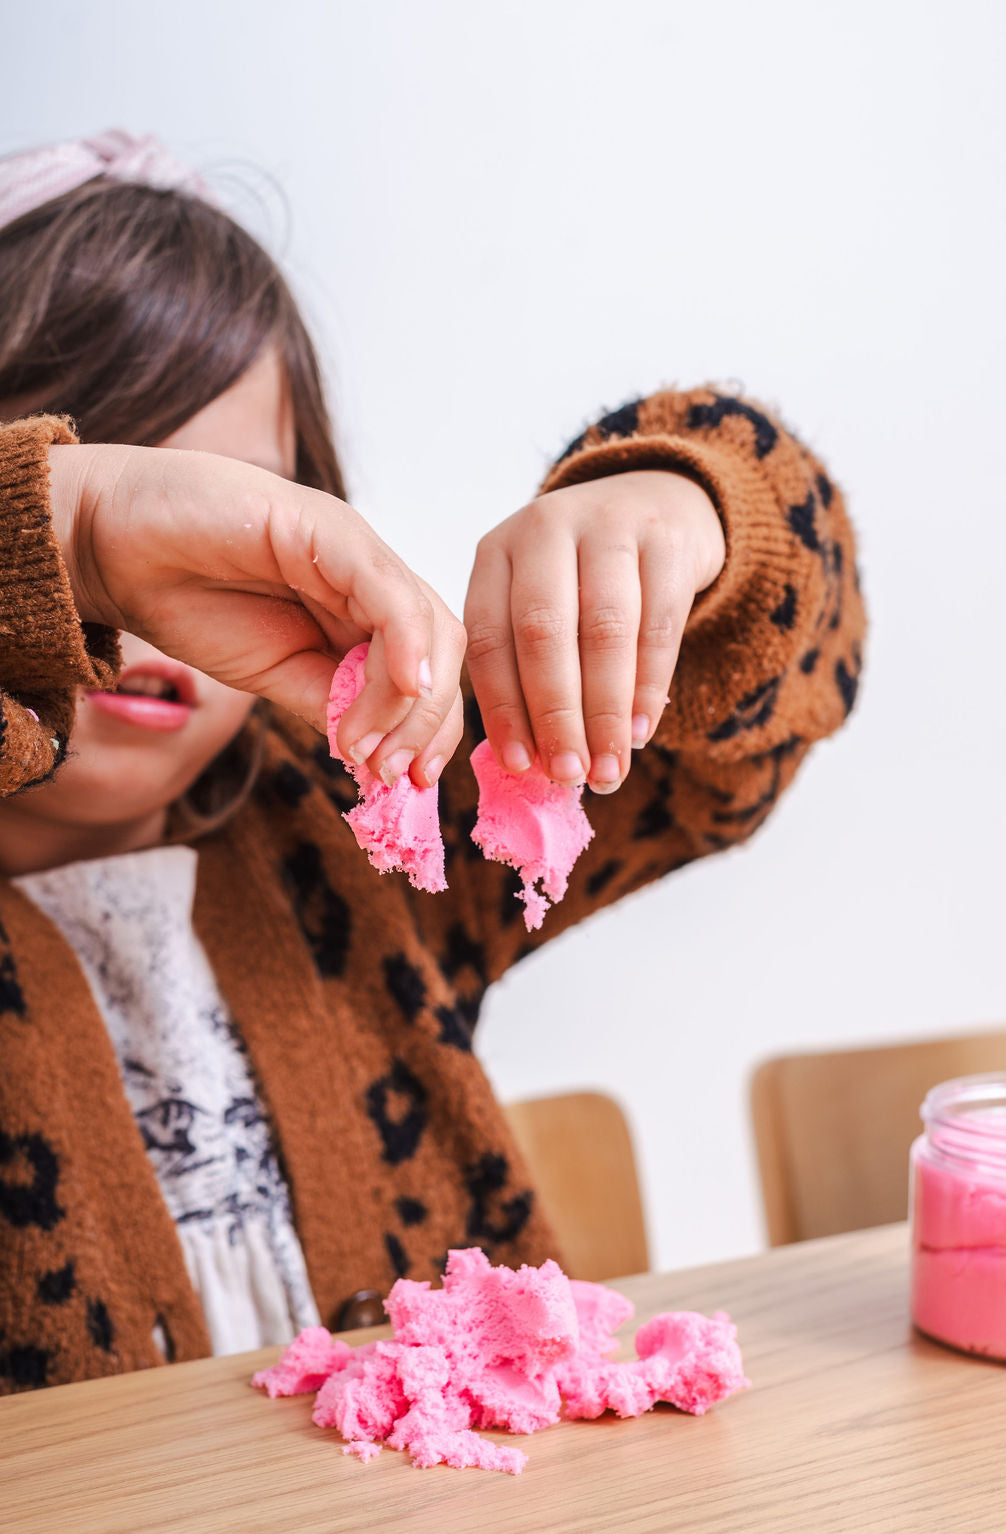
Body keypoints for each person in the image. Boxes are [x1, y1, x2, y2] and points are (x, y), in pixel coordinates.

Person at [0, 133, 865, 1394]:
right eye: (120, 515)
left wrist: (687, 518)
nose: (141, 610)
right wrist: (60, 532)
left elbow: (749, 746)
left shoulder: (369, 816)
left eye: (220, 512)